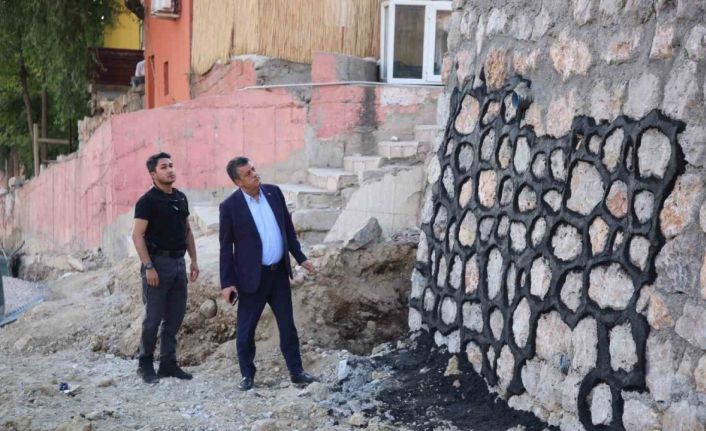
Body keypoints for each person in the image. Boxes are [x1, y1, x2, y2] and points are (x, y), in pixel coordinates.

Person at [219, 156, 317, 391]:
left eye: (253, 169)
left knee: (287, 326)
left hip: (278, 274)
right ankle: (247, 375)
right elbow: (225, 247)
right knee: (246, 330)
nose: (254, 174)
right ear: (238, 182)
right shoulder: (230, 207)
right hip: (251, 278)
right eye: (248, 173)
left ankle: (297, 372)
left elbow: (288, 230)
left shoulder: (274, 193)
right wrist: (227, 282)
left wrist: (301, 258)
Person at [132, 152, 199, 384]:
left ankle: (168, 363)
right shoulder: (147, 202)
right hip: (157, 264)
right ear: (153, 174)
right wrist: (148, 266)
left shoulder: (180, 198)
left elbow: (187, 230)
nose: (170, 170)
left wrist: (193, 260)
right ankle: (145, 364)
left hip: (179, 263)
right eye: (164, 167)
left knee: (175, 317)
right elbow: (137, 235)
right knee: (153, 319)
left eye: (171, 165)